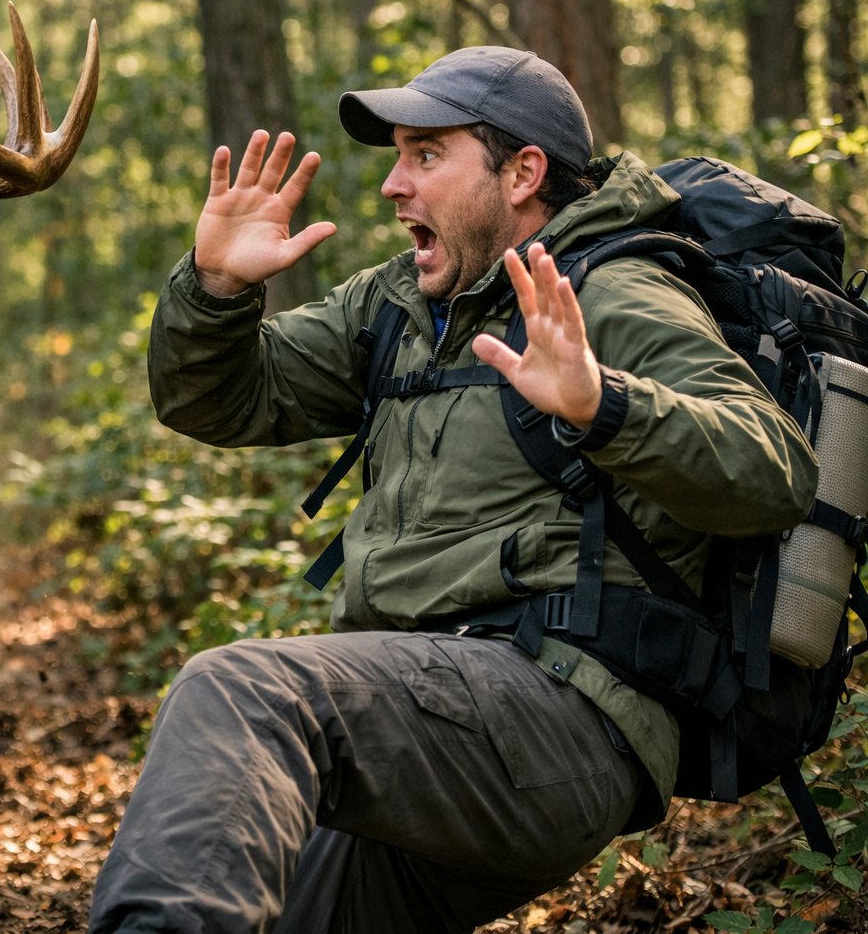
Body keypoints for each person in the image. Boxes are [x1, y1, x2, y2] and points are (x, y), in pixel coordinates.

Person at [86, 47, 820, 933]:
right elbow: (219, 399)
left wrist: (604, 404)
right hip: (422, 726)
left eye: (426, 155)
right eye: (397, 154)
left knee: (244, 691)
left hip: (562, 716)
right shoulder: (397, 307)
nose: (395, 185)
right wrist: (215, 291)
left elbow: (775, 469)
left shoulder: (612, 291)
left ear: (523, 173)